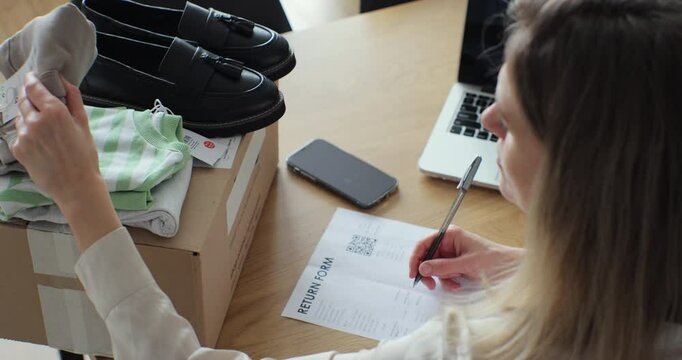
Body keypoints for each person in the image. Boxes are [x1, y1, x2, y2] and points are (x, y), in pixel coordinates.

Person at [9, 0, 681, 358]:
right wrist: (522, 262)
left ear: (585, 185)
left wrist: (82, 197)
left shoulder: (474, 351)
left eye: (515, 120)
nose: (491, 117)